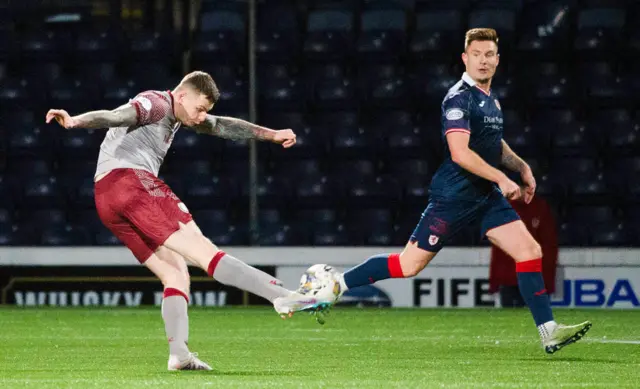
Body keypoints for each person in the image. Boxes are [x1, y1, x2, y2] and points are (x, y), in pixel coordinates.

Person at [280, 28, 591, 354]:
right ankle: (333, 285)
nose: (483, 61)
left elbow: (491, 143)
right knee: (408, 265)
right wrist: (501, 178)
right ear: (465, 58)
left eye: (489, 55)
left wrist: (521, 167)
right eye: (476, 55)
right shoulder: (458, 97)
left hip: (485, 196)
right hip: (454, 196)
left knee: (529, 251)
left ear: (497, 61)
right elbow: (460, 152)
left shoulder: (490, 100)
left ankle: (549, 331)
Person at [45, 71, 326, 371]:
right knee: (204, 251)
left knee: (176, 275)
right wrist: (76, 121)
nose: (202, 116)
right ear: (182, 96)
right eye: (200, 108)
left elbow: (222, 126)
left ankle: (178, 354)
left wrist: (270, 134)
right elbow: (117, 116)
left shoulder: (179, 114)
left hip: (107, 199)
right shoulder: (157, 104)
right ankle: (282, 296)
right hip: (130, 182)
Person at [490, 196, 559, 308]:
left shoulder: (540, 208)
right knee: (509, 319)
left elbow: (549, 246)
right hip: (509, 278)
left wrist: (547, 281)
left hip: (533, 278)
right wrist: (495, 281)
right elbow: (498, 251)